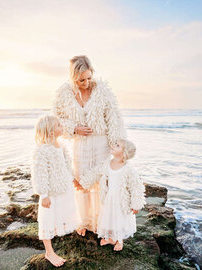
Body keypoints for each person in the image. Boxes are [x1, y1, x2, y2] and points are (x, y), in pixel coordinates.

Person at [52, 55, 127, 236]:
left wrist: (117, 146)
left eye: (89, 77)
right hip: (80, 144)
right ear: (73, 77)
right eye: (81, 80)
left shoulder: (102, 90)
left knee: (101, 182)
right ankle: (83, 221)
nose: (86, 82)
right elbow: (57, 119)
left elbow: (113, 118)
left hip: (101, 142)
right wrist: (75, 128)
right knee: (81, 182)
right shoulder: (63, 93)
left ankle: (101, 221)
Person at [78, 139, 146, 251]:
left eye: (118, 145)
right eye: (115, 144)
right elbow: (96, 172)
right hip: (109, 197)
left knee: (120, 219)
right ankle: (111, 238)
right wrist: (84, 183)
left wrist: (136, 204)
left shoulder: (128, 169)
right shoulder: (108, 163)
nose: (113, 145)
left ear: (124, 153)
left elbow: (136, 187)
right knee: (109, 217)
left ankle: (120, 240)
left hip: (121, 199)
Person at [30, 115, 80, 267]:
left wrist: (73, 179)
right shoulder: (41, 150)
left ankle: (65, 228)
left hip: (64, 188)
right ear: (51, 131)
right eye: (58, 125)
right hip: (50, 191)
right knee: (47, 218)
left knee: (65, 211)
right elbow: (39, 173)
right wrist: (43, 194)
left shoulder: (61, 146)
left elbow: (67, 165)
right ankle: (49, 252)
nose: (62, 126)